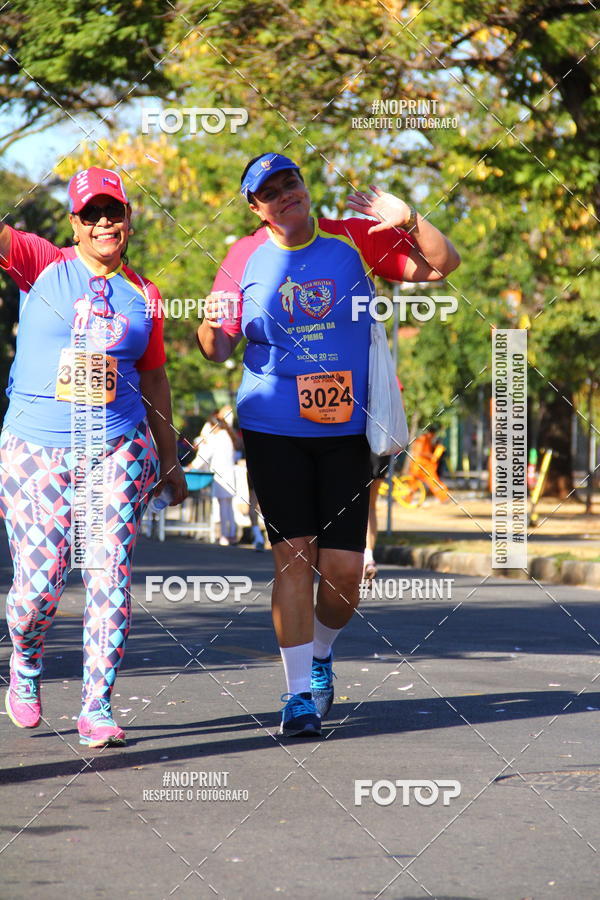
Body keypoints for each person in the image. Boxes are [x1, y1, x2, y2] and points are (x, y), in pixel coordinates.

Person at [197, 152, 459, 736]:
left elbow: (442, 267)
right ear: (256, 208)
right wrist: (212, 323)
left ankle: (320, 652)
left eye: (291, 181)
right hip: (272, 425)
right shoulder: (242, 257)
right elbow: (215, 348)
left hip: (345, 429)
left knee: (342, 574)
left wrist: (409, 219)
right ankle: (296, 698)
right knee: (293, 556)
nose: (286, 193)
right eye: (271, 191)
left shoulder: (351, 240)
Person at [0, 166, 187, 748]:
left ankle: (97, 704)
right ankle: (26, 666)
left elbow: (154, 379)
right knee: (38, 585)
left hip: (117, 444)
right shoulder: (43, 264)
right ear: (74, 224)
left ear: (128, 218)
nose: (104, 222)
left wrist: (169, 458)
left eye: (114, 211)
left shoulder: (144, 295)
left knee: (108, 574)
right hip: (37, 445)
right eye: (91, 214)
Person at [192, 407, 239, 545]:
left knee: (223, 505)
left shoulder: (217, 438)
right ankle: (231, 534)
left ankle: (225, 535)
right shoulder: (227, 436)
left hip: (220, 476)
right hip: (229, 474)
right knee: (229, 506)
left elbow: (204, 457)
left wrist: (192, 466)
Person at [409, 425, 450, 501]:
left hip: (423, 464)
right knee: (414, 482)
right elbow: (420, 452)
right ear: (431, 433)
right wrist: (431, 456)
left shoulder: (427, 439)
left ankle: (444, 497)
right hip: (420, 464)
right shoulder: (423, 439)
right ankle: (407, 499)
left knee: (430, 481)